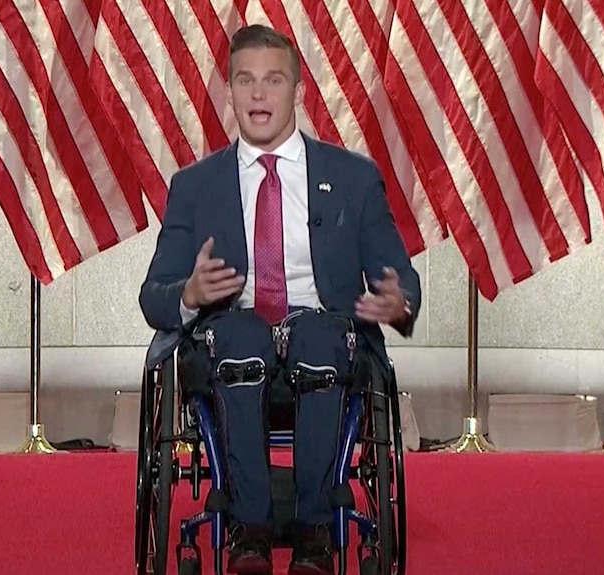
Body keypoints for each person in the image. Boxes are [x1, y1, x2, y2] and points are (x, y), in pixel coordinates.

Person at [139, 24, 420, 575]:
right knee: (240, 334)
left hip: (327, 340)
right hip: (231, 344)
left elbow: (400, 280)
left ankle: (316, 533)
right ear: (230, 93)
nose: (259, 94)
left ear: (298, 91)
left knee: (319, 336)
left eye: (273, 80)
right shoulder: (195, 186)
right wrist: (191, 295)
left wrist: (396, 302)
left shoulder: (353, 178)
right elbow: (155, 296)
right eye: (245, 81)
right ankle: (251, 533)